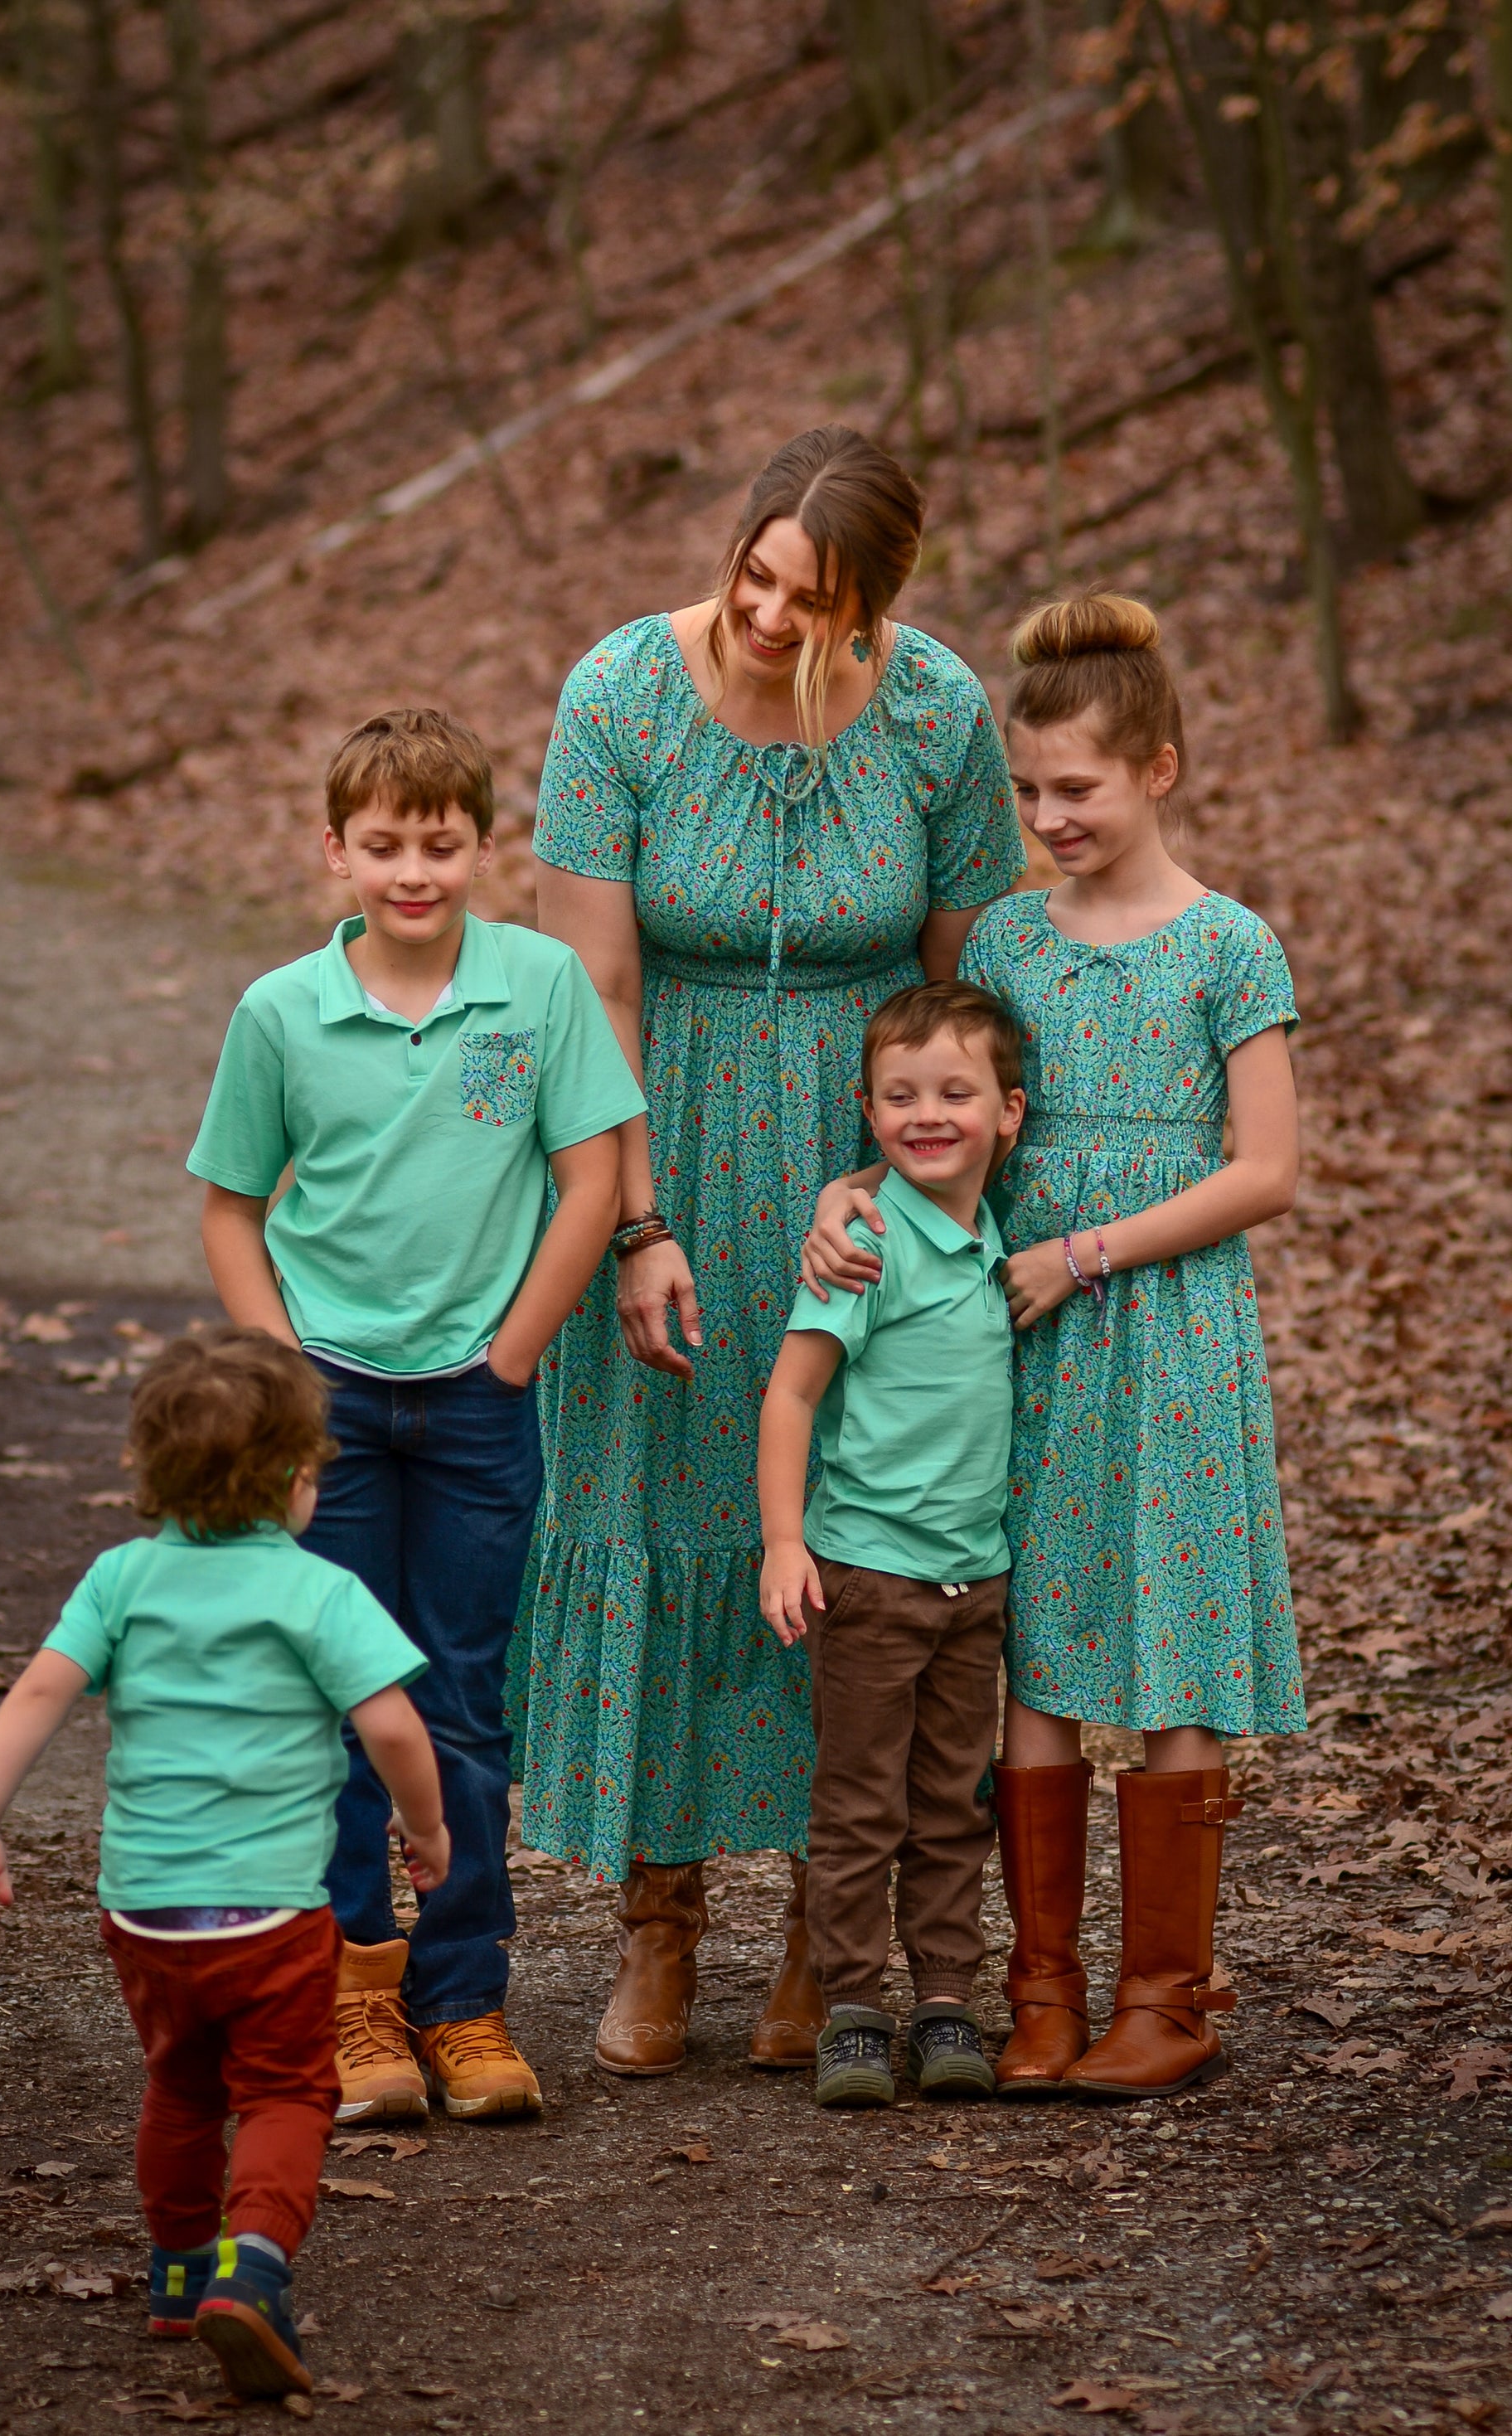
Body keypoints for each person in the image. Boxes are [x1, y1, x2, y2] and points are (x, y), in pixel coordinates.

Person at [516, 425, 1026, 2077]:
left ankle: (833, 1929)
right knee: (673, 1505)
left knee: (857, 1537)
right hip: (657, 1126)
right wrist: (636, 1221)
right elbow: (587, 987)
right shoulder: (619, 696)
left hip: (863, 1153)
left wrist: (918, 1189)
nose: (767, 617)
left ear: (875, 604)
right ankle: (657, 1922)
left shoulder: (938, 712)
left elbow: (962, 985)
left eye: (811, 599)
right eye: (756, 575)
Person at [802, 590, 1304, 2102]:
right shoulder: (1008, 937)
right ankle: (1034, 1985)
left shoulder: (1225, 944)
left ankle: (1167, 1994)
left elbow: (1265, 1168)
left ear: (1159, 766)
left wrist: (1084, 1249)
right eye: (1026, 792)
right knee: (1032, 1633)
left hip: (1164, 1327)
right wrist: (854, 1184)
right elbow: (932, 1089)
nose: (1046, 816)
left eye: (1074, 787)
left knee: (1169, 1629)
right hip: (1012, 1337)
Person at [188, 708, 645, 2124]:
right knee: (334, 1697)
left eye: (439, 843)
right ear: (335, 851)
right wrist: (284, 1381)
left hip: (476, 1406)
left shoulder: (539, 986)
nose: (412, 870)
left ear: (482, 848)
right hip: (326, 1403)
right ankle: (354, 1996)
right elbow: (230, 1209)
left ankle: (463, 2000)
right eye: (381, 844)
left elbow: (586, 1177)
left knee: (457, 1696)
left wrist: (514, 1354)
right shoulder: (278, 1012)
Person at [0, 1330, 445, 2401]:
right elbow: (394, 1727)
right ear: (294, 1478)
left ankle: (176, 2273)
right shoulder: (318, 1591)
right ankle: (251, 2264)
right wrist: (428, 1830)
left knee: (179, 2083)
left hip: (146, 1912)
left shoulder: (121, 1576)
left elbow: (39, 1690)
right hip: (270, 1915)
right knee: (286, 2088)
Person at [758, 982, 1025, 2108]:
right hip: (868, 1572)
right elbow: (790, 1395)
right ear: (865, 1111)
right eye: (899, 1096)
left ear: (1007, 1113)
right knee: (861, 1802)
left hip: (975, 1578)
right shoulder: (863, 1244)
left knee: (955, 1800)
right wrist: (784, 1539)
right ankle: (854, 2007)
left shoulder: (988, 1223)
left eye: (955, 1093)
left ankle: (947, 2001)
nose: (928, 1114)